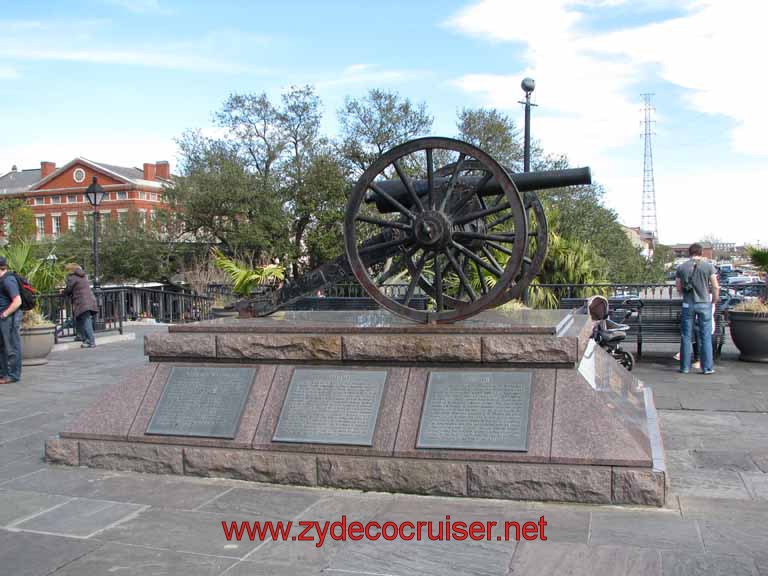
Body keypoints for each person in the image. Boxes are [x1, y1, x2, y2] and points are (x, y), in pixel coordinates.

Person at [675, 243, 719, 374]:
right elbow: (715, 286)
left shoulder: (681, 267)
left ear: (689, 252)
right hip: (704, 303)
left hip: (688, 304)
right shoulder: (708, 266)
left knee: (686, 336)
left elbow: (678, 287)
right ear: (701, 252)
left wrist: (685, 294)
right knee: (705, 336)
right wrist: (714, 299)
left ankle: (684, 367)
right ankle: (707, 368)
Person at [63, 263, 99, 348]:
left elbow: (69, 289)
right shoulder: (82, 275)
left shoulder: (72, 277)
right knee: (79, 319)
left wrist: (63, 292)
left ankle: (91, 341)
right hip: (89, 300)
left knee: (86, 321)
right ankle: (81, 336)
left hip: (82, 302)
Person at [0, 257, 23, 384]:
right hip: (4, 318)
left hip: (8, 319)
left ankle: (13, 375)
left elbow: (17, 301)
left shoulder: (8, 280)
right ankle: (3, 374)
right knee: (2, 347)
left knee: (12, 346)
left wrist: (4, 315)